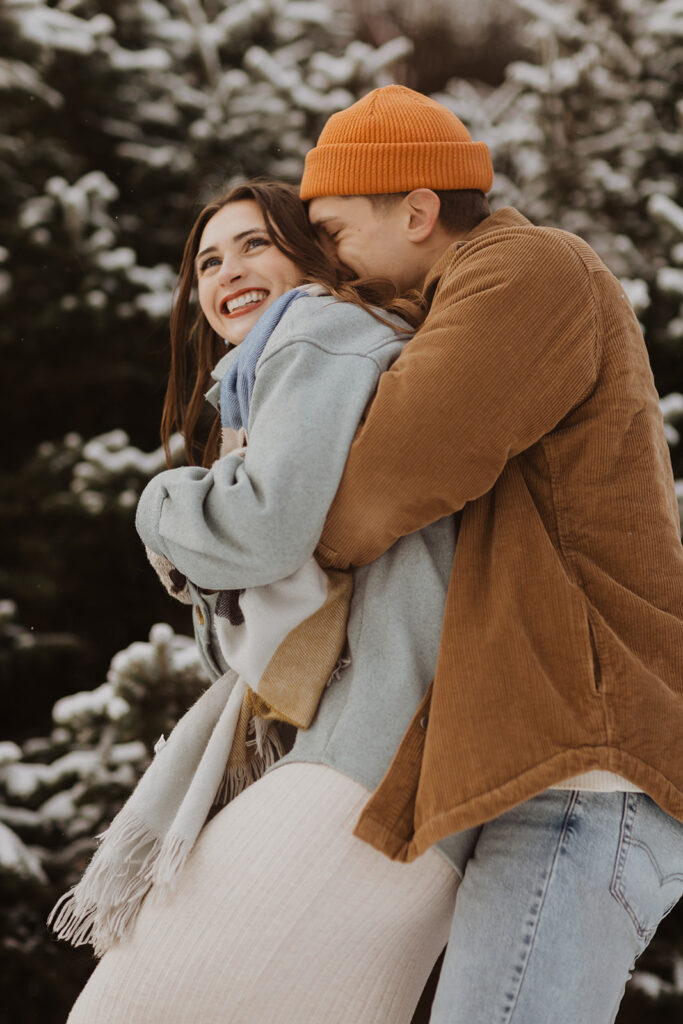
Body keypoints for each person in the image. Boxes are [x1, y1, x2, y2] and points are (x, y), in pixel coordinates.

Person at [300, 84, 683, 1022]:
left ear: (419, 211)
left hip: (586, 778)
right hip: (546, 771)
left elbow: (371, 495)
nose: (329, 263)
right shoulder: (463, 298)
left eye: (336, 231)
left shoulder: (528, 271)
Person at [60, 180, 476, 1023]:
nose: (227, 272)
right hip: (417, 759)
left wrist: (162, 505)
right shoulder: (271, 388)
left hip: (374, 747)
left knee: (128, 1005)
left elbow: (264, 529)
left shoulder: (317, 329)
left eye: (255, 244)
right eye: (209, 260)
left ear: (311, 255)